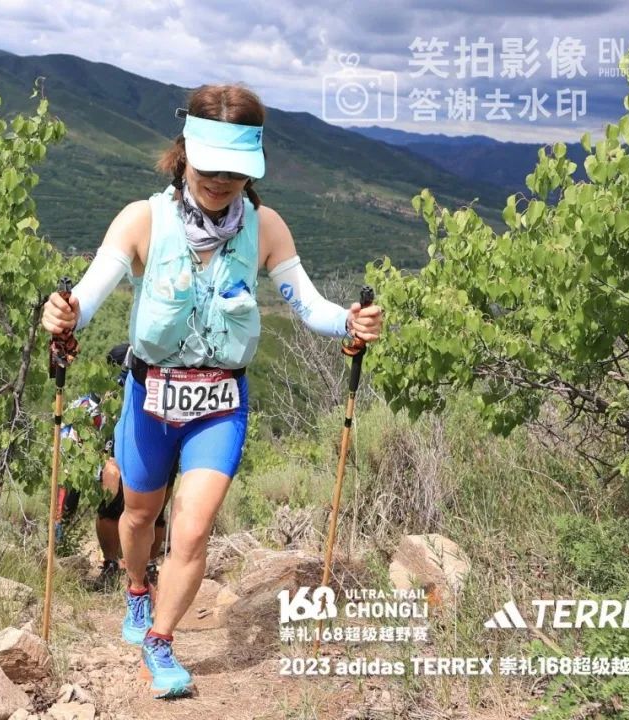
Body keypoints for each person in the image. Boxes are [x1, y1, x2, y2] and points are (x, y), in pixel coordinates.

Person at [42, 84, 383, 699]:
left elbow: (310, 306)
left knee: (194, 528)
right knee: (140, 515)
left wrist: (350, 322)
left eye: (235, 170)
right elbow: (87, 297)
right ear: (184, 154)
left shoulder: (265, 228)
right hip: (149, 395)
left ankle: (161, 640)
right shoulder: (143, 220)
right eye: (211, 166)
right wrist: (64, 314)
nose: (222, 180)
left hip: (219, 403)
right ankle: (137, 589)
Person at [55, 344, 178, 591]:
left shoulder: (158, 393)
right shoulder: (91, 405)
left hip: (153, 451)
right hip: (109, 460)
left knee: (155, 512)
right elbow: (69, 449)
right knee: (111, 502)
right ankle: (110, 562)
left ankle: (148, 565)